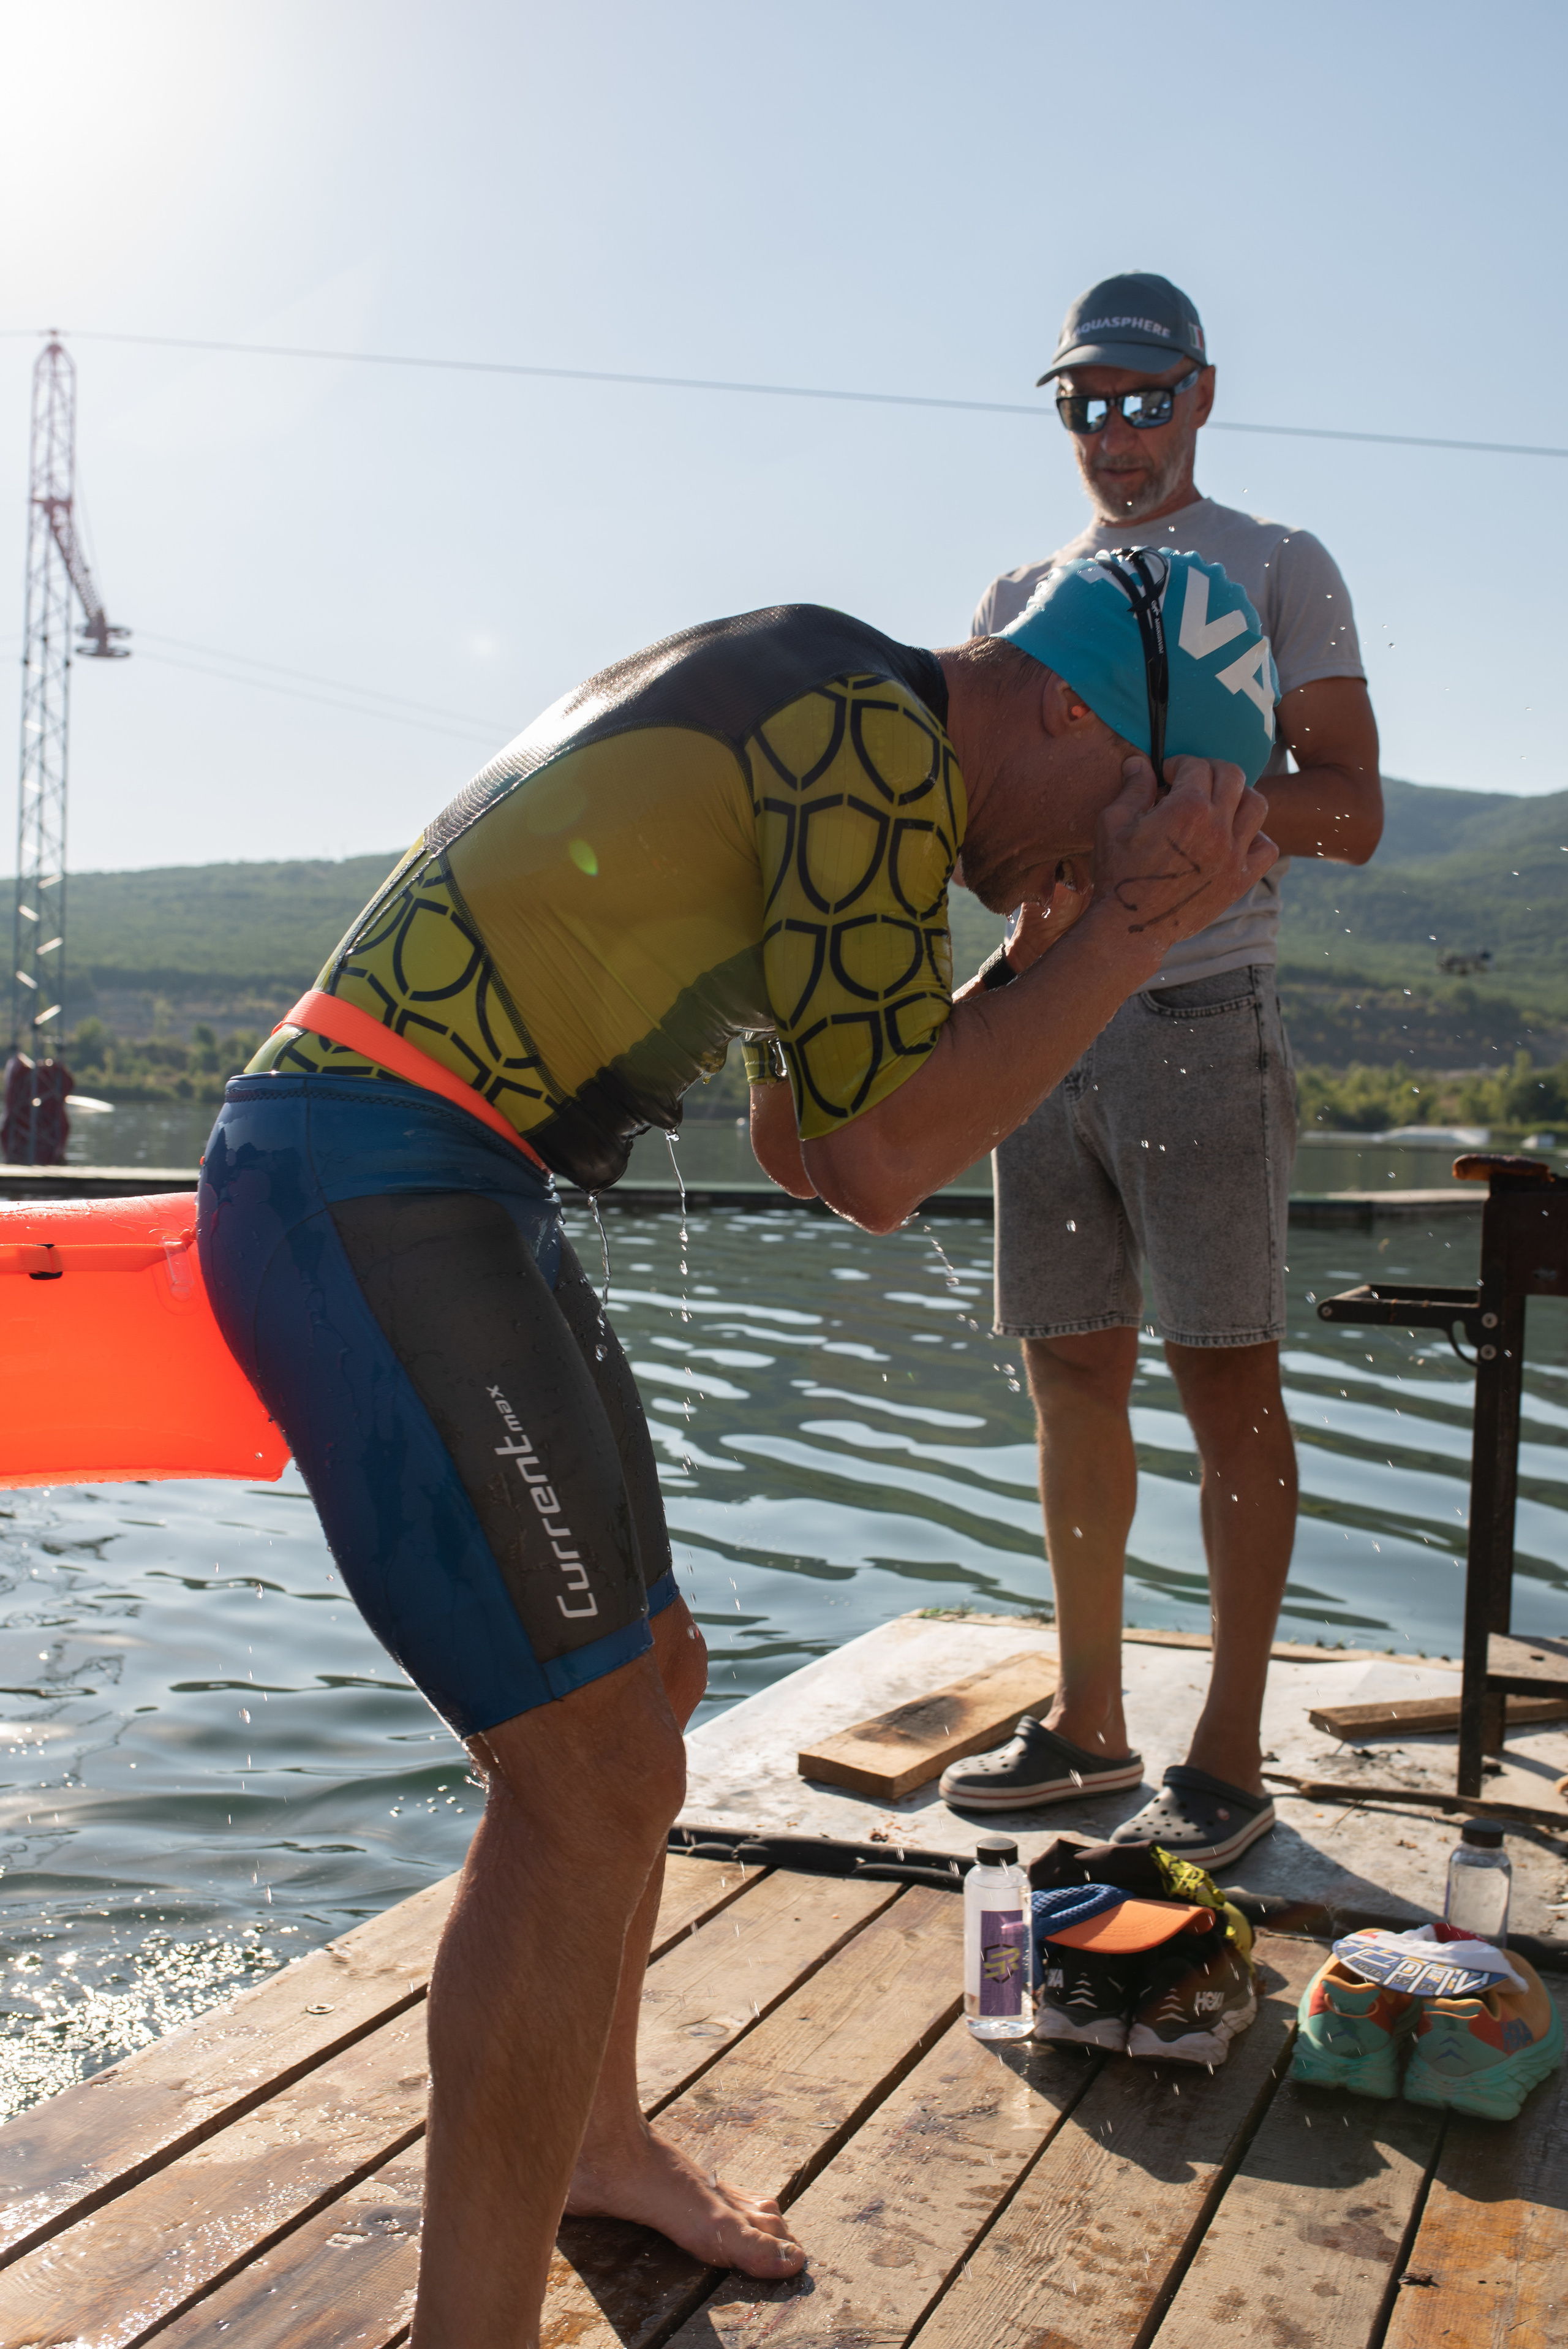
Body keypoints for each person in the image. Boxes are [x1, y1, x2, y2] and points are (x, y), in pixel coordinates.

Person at [198, 581, 1278, 2348]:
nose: (1100, 860)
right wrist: (1131, 933)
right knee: (588, 1772)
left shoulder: (859, 729)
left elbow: (802, 1135)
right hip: (364, 1169)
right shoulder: (865, 729)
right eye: (1127, 815)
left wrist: (1055, 939)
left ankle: (596, 2143)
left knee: (659, 1684)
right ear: (1080, 714)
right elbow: (874, 1163)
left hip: (448, 1176)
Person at [941, 271, 1382, 1866]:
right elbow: (991, 845)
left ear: (1203, 394)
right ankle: (1089, 1725)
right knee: (1068, 1372)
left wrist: (1203, 790)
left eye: (1143, 401)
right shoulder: (1010, 592)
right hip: (1044, 1026)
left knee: (1225, 1382)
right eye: (1086, 407)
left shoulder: (1276, 561)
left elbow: (1354, 804)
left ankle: (1229, 1748)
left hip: (1205, 1020)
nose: (1115, 435)